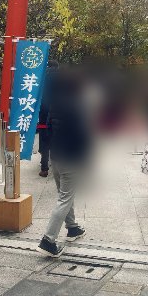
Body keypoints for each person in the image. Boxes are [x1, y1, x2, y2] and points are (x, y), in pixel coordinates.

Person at [37, 68, 91, 258]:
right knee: (64, 199)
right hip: (72, 158)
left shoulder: (56, 103)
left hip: (56, 156)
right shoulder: (79, 105)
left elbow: (48, 130)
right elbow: (83, 135)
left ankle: (73, 227)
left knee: (65, 194)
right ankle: (48, 239)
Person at [37, 60, 59, 177]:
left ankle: (44, 168)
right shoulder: (61, 78)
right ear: (57, 67)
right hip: (57, 113)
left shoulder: (41, 78)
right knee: (57, 139)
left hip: (43, 112)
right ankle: (58, 167)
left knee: (44, 140)